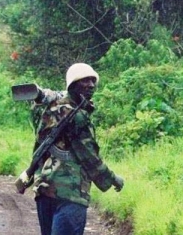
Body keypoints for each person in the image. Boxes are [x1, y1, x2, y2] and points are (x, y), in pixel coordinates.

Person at [30, 63, 124, 235]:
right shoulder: (77, 116)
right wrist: (112, 179)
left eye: (92, 81)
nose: (91, 85)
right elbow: (89, 157)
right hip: (71, 192)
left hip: (44, 188)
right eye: (84, 81)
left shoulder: (50, 110)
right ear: (72, 86)